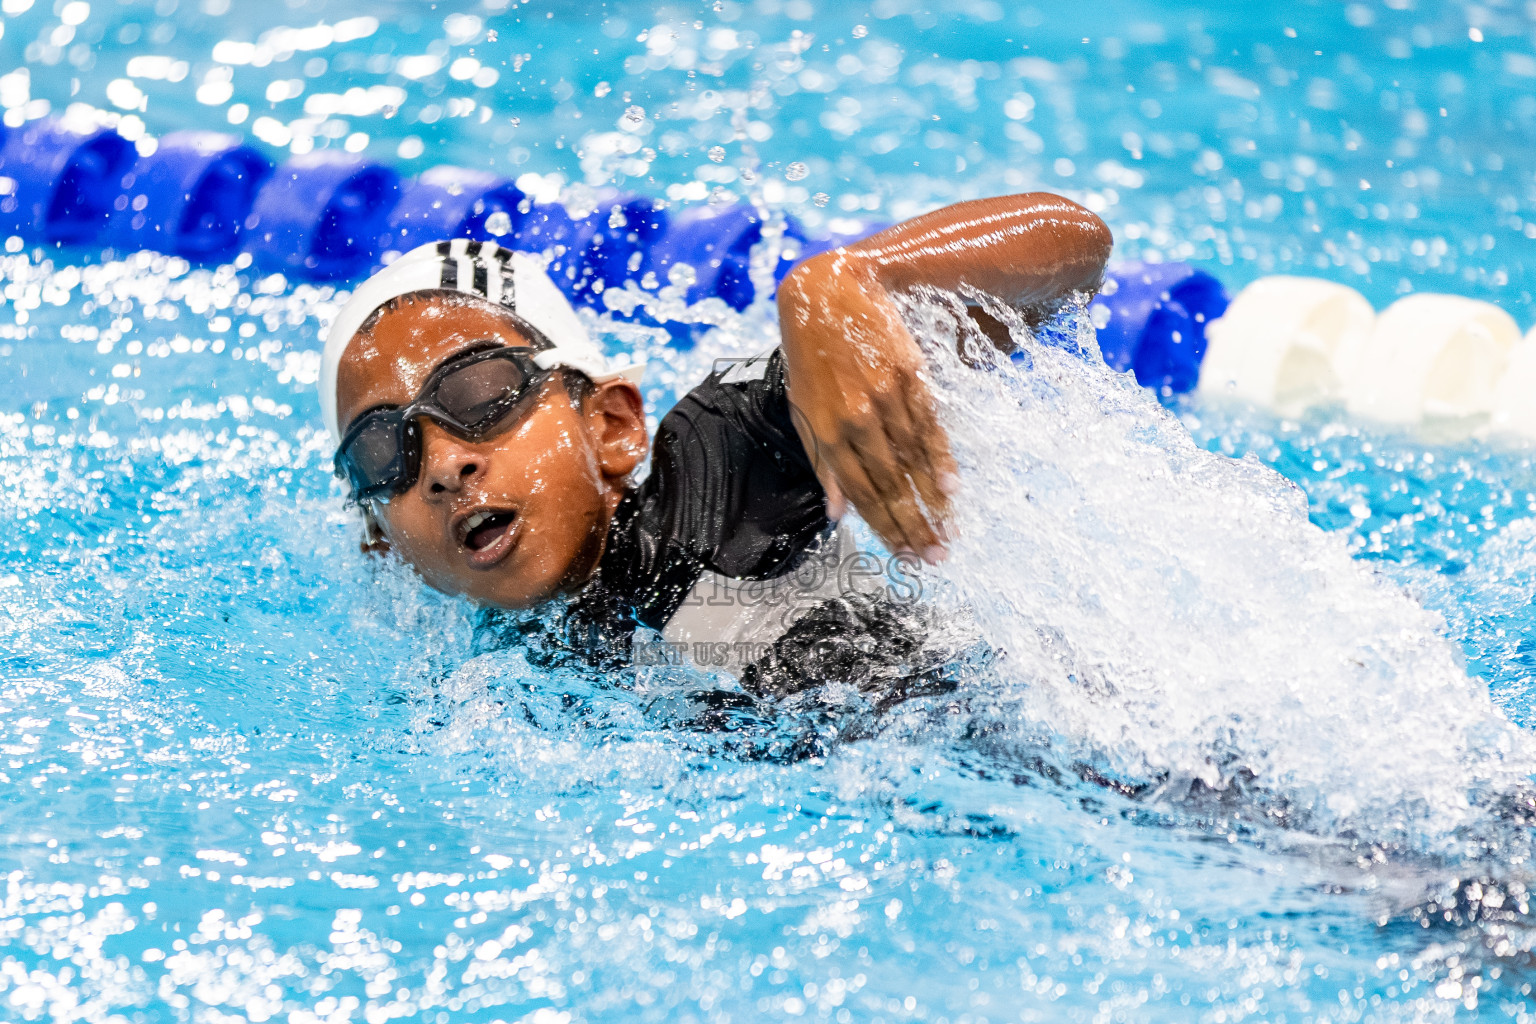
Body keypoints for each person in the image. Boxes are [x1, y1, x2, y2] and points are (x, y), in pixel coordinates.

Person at [321, 193, 1112, 686]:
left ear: (613, 426)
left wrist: (849, 285)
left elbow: (1074, 240)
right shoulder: (480, 679)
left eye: (481, 394)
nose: (446, 465)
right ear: (382, 543)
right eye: (384, 451)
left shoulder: (722, 457)